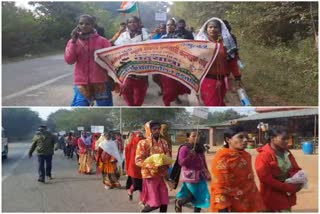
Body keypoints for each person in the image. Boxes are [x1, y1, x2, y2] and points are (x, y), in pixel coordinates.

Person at [209, 126, 265, 212]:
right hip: (231, 205)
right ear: (228, 140)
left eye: (246, 137)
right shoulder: (222, 158)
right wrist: (223, 210)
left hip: (248, 203)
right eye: (241, 137)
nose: (245, 140)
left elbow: (250, 181)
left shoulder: (246, 156)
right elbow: (220, 186)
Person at [65, 14, 114, 106]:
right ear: (77, 25)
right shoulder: (73, 41)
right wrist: (73, 42)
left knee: (105, 106)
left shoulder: (103, 41)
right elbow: (69, 60)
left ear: (93, 25)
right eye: (81, 23)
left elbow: (111, 60)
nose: (84, 26)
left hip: (101, 82)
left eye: (87, 24)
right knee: (80, 105)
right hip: (81, 82)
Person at [255, 127, 303, 212]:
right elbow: (266, 179)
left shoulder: (286, 153)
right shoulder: (263, 156)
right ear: (272, 139)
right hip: (272, 198)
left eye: (287, 139)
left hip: (287, 196)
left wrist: (299, 179)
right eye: (283, 139)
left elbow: (296, 168)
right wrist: (288, 187)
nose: (287, 141)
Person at [196, 18, 241, 106]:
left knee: (219, 102)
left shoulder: (226, 44)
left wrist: (237, 76)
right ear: (206, 29)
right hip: (207, 79)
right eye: (210, 27)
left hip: (222, 80)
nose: (213, 29)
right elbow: (193, 62)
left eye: (215, 27)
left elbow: (232, 61)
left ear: (220, 30)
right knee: (212, 104)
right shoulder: (201, 44)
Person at [135, 121, 171, 212]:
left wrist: (166, 165)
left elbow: (168, 156)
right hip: (150, 176)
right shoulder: (143, 143)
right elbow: (138, 160)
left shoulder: (164, 142)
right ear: (148, 130)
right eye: (154, 129)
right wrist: (154, 166)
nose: (157, 131)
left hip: (161, 175)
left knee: (164, 201)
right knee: (154, 204)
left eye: (159, 129)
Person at [114, 16, 149, 106]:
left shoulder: (144, 35)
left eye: (135, 22)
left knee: (139, 99)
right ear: (127, 24)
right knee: (127, 95)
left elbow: (149, 51)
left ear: (139, 23)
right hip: (126, 72)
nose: (132, 24)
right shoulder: (123, 35)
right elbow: (117, 49)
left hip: (141, 73)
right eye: (130, 22)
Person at [175, 131, 211, 212]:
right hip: (190, 176)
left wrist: (207, 172)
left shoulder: (200, 147)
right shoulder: (184, 148)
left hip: (201, 175)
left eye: (197, 136)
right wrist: (189, 156)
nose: (196, 138)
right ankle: (179, 203)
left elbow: (203, 161)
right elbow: (180, 163)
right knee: (195, 196)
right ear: (188, 137)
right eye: (193, 136)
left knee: (200, 197)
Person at [160, 19, 191, 106]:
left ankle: (175, 97)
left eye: (172, 25)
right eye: (168, 25)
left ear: (175, 26)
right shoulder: (162, 38)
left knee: (177, 86)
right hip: (165, 66)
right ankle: (167, 104)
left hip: (178, 66)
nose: (169, 26)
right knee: (168, 88)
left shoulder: (181, 38)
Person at [125, 131, 145, 200]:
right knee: (136, 184)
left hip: (142, 166)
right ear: (135, 137)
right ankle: (130, 191)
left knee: (143, 185)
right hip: (133, 168)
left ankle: (142, 200)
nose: (141, 137)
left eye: (142, 136)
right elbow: (127, 157)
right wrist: (127, 168)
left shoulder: (145, 144)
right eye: (139, 136)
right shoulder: (130, 145)